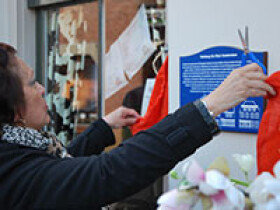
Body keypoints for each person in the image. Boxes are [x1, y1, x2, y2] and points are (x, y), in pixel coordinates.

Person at [0, 42, 275, 210]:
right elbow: (105, 173)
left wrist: (105, 127)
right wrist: (210, 105)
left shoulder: (20, 150)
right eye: (30, 83)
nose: (41, 90)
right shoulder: (12, 165)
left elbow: (60, 171)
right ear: (11, 106)